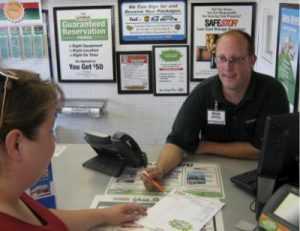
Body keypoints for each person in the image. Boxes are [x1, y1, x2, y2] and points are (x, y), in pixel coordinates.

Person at [142, 29, 289, 191]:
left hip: (254, 174)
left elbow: (264, 149)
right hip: (210, 173)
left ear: (251, 60)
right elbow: (178, 142)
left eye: (236, 59)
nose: (227, 67)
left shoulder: (273, 92)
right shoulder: (202, 92)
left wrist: (206, 146)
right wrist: (160, 170)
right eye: (222, 58)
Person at [0, 69, 146, 230]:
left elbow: (46, 218)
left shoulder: (10, 195)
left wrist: (104, 215)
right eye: (50, 131)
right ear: (16, 145)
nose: (54, 141)